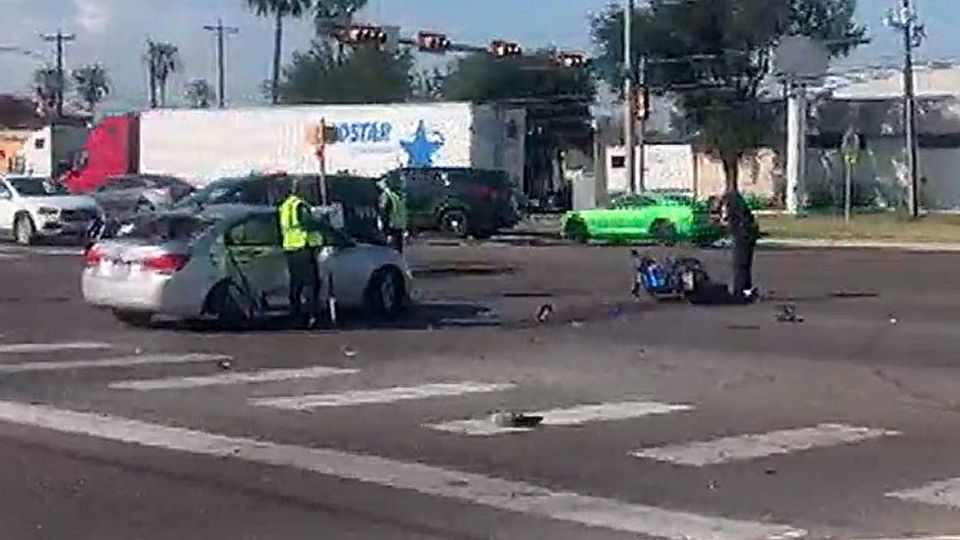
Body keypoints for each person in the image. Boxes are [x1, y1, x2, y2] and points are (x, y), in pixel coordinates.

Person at [279, 179, 327, 328]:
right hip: (303, 247)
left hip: (290, 247)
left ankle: (296, 315)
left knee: (296, 284)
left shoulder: (285, 205)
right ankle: (311, 316)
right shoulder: (299, 205)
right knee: (311, 284)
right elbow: (308, 223)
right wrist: (320, 219)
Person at [720, 189, 760, 303]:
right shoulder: (744, 215)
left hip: (742, 238)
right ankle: (745, 289)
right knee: (744, 266)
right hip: (746, 237)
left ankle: (740, 290)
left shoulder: (737, 215)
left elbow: (728, 221)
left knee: (739, 265)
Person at [377, 179, 407, 253]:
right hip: (399, 221)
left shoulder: (386, 195)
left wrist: (381, 219)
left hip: (391, 221)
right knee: (398, 240)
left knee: (392, 240)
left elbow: (383, 209)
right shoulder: (395, 195)